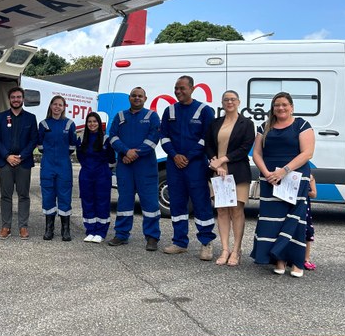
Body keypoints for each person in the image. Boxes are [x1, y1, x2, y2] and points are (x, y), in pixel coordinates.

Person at [250, 92, 315, 277]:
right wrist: (267, 173)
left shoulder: (301, 125)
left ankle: (297, 262)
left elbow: (307, 153)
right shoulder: (264, 127)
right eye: (277, 105)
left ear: (292, 107)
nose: (281, 108)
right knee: (273, 221)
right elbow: (256, 153)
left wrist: (283, 171)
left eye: (285, 104)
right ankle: (278, 259)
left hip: (294, 178)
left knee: (294, 220)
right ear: (273, 108)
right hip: (270, 178)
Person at [160, 75, 216, 259]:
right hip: (174, 164)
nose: (178, 92)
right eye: (176, 88)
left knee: (201, 203)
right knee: (177, 203)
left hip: (196, 166)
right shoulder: (169, 111)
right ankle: (179, 242)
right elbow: (164, 137)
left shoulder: (204, 110)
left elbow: (206, 138)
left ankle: (206, 243)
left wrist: (188, 157)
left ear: (192, 89)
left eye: (182, 88)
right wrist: (175, 155)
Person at [205, 90, 255, 266]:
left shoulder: (247, 123)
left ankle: (236, 250)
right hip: (217, 173)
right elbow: (208, 145)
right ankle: (225, 249)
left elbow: (244, 148)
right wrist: (215, 163)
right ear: (222, 103)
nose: (229, 102)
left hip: (238, 172)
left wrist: (222, 161)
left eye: (233, 99)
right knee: (222, 211)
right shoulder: (215, 122)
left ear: (239, 102)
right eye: (226, 99)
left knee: (236, 211)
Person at [107, 87, 161, 249]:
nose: (136, 98)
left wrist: (134, 154)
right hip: (125, 166)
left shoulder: (152, 116)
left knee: (150, 203)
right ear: (129, 98)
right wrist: (125, 151)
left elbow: (153, 138)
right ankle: (121, 234)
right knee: (124, 201)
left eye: (140, 96)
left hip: (146, 167)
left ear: (145, 98)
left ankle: (152, 237)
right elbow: (112, 136)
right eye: (134, 96)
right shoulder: (120, 116)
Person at [0, 87, 38, 240]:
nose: (16, 99)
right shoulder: (0, 117)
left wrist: (21, 156)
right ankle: (6, 226)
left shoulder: (31, 118)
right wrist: (7, 156)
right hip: (5, 162)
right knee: (6, 196)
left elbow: (33, 140)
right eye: (13, 97)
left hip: (23, 163)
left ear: (23, 99)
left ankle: (23, 226)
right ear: (9, 99)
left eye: (19, 97)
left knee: (23, 195)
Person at [38, 95, 78, 241]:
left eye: (60, 105)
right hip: (47, 165)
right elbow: (40, 145)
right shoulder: (43, 124)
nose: (57, 107)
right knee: (48, 195)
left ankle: (65, 230)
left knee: (64, 195)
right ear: (50, 106)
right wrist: (50, 154)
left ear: (64, 107)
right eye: (54, 104)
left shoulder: (69, 124)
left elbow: (73, 145)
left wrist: (61, 155)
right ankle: (49, 229)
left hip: (64, 166)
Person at [76, 112, 115, 244]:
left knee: (102, 202)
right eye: (89, 122)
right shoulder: (81, 139)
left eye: (95, 121)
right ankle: (90, 230)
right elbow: (80, 157)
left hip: (102, 175)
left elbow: (111, 159)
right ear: (86, 124)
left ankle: (101, 232)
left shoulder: (106, 139)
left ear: (99, 123)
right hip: (86, 175)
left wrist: (102, 170)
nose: (92, 124)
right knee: (87, 202)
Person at [305, 174, 317, 270]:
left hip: (305, 207)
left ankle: (306, 259)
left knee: (307, 232)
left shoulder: (310, 177)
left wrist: (306, 190)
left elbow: (314, 194)